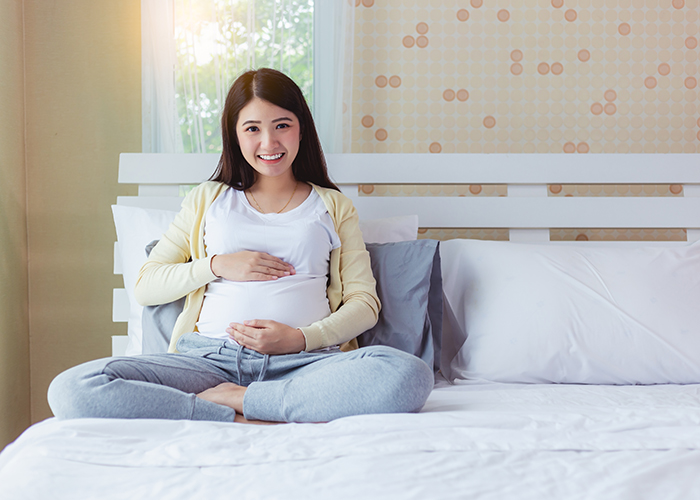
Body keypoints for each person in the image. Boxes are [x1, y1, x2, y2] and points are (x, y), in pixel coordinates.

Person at [48, 68, 433, 424]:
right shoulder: (207, 200)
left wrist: (300, 338)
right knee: (72, 388)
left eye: (282, 125)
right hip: (208, 362)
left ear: (302, 129)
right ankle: (234, 408)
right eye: (252, 129)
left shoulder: (332, 205)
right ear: (234, 134)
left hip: (305, 364)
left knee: (408, 375)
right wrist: (216, 265)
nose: (269, 142)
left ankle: (242, 400)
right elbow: (147, 285)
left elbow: (365, 306)